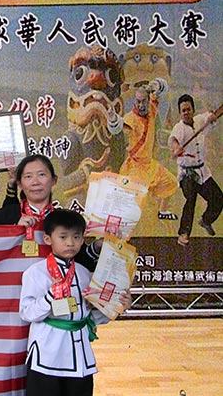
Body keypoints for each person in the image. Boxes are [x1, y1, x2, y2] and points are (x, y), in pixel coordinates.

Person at [19, 209, 131, 396]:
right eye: (63, 237)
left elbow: (89, 317)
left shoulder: (84, 273)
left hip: (79, 355)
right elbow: (27, 313)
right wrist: (50, 296)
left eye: (76, 237)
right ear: (48, 239)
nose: (70, 243)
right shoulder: (36, 273)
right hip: (47, 354)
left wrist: (116, 306)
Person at [0, 154, 100, 270]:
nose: (35, 182)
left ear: (54, 180)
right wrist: (14, 231)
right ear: (20, 183)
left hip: (56, 286)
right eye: (28, 177)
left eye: (41, 175)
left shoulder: (64, 219)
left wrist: (97, 246)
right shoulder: (6, 215)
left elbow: (81, 261)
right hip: (13, 285)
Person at [118, 81, 178, 220]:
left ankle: (162, 211)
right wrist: (114, 121)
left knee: (171, 182)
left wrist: (154, 87)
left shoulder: (151, 109)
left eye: (143, 101)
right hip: (135, 166)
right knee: (133, 204)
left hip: (150, 165)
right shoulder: (130, 118)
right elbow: (119, 127)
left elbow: (160, 89)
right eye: (138, 102)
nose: (140, 105)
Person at [168, 94, 223, 246]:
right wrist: (176, 147)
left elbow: (212, 114)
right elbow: (173, 140)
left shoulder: (200, 120)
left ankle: (206, 220)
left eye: (188, 109)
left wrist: (213, 117)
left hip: (202, 172)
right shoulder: (178, 128)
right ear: (180, 113)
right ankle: (183, 233)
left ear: (193, 109)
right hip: (187, 173)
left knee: (218, 199)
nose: (186, 112)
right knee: (190, 198)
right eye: (183, 110)